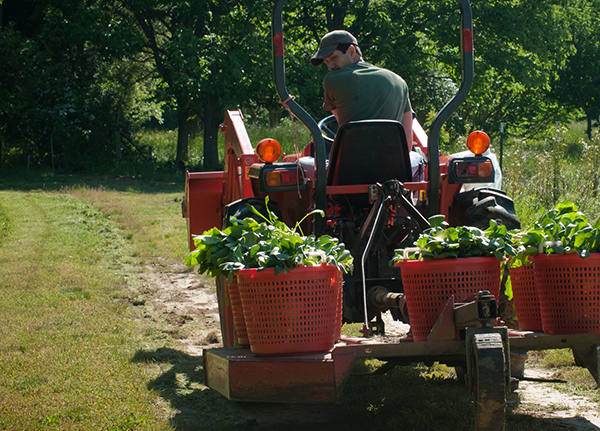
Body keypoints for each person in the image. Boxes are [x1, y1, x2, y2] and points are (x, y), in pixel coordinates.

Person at [311, 30, 423, 180]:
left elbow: (344, 125)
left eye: (334, 58)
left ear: (351, 51)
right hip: (393, 172)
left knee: (304, 164)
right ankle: (408, 202)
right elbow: (407, 144)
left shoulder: (332, 80)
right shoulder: (399, 82)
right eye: (326, 62)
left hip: (349, 172)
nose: (330, 66)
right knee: (418, 158)